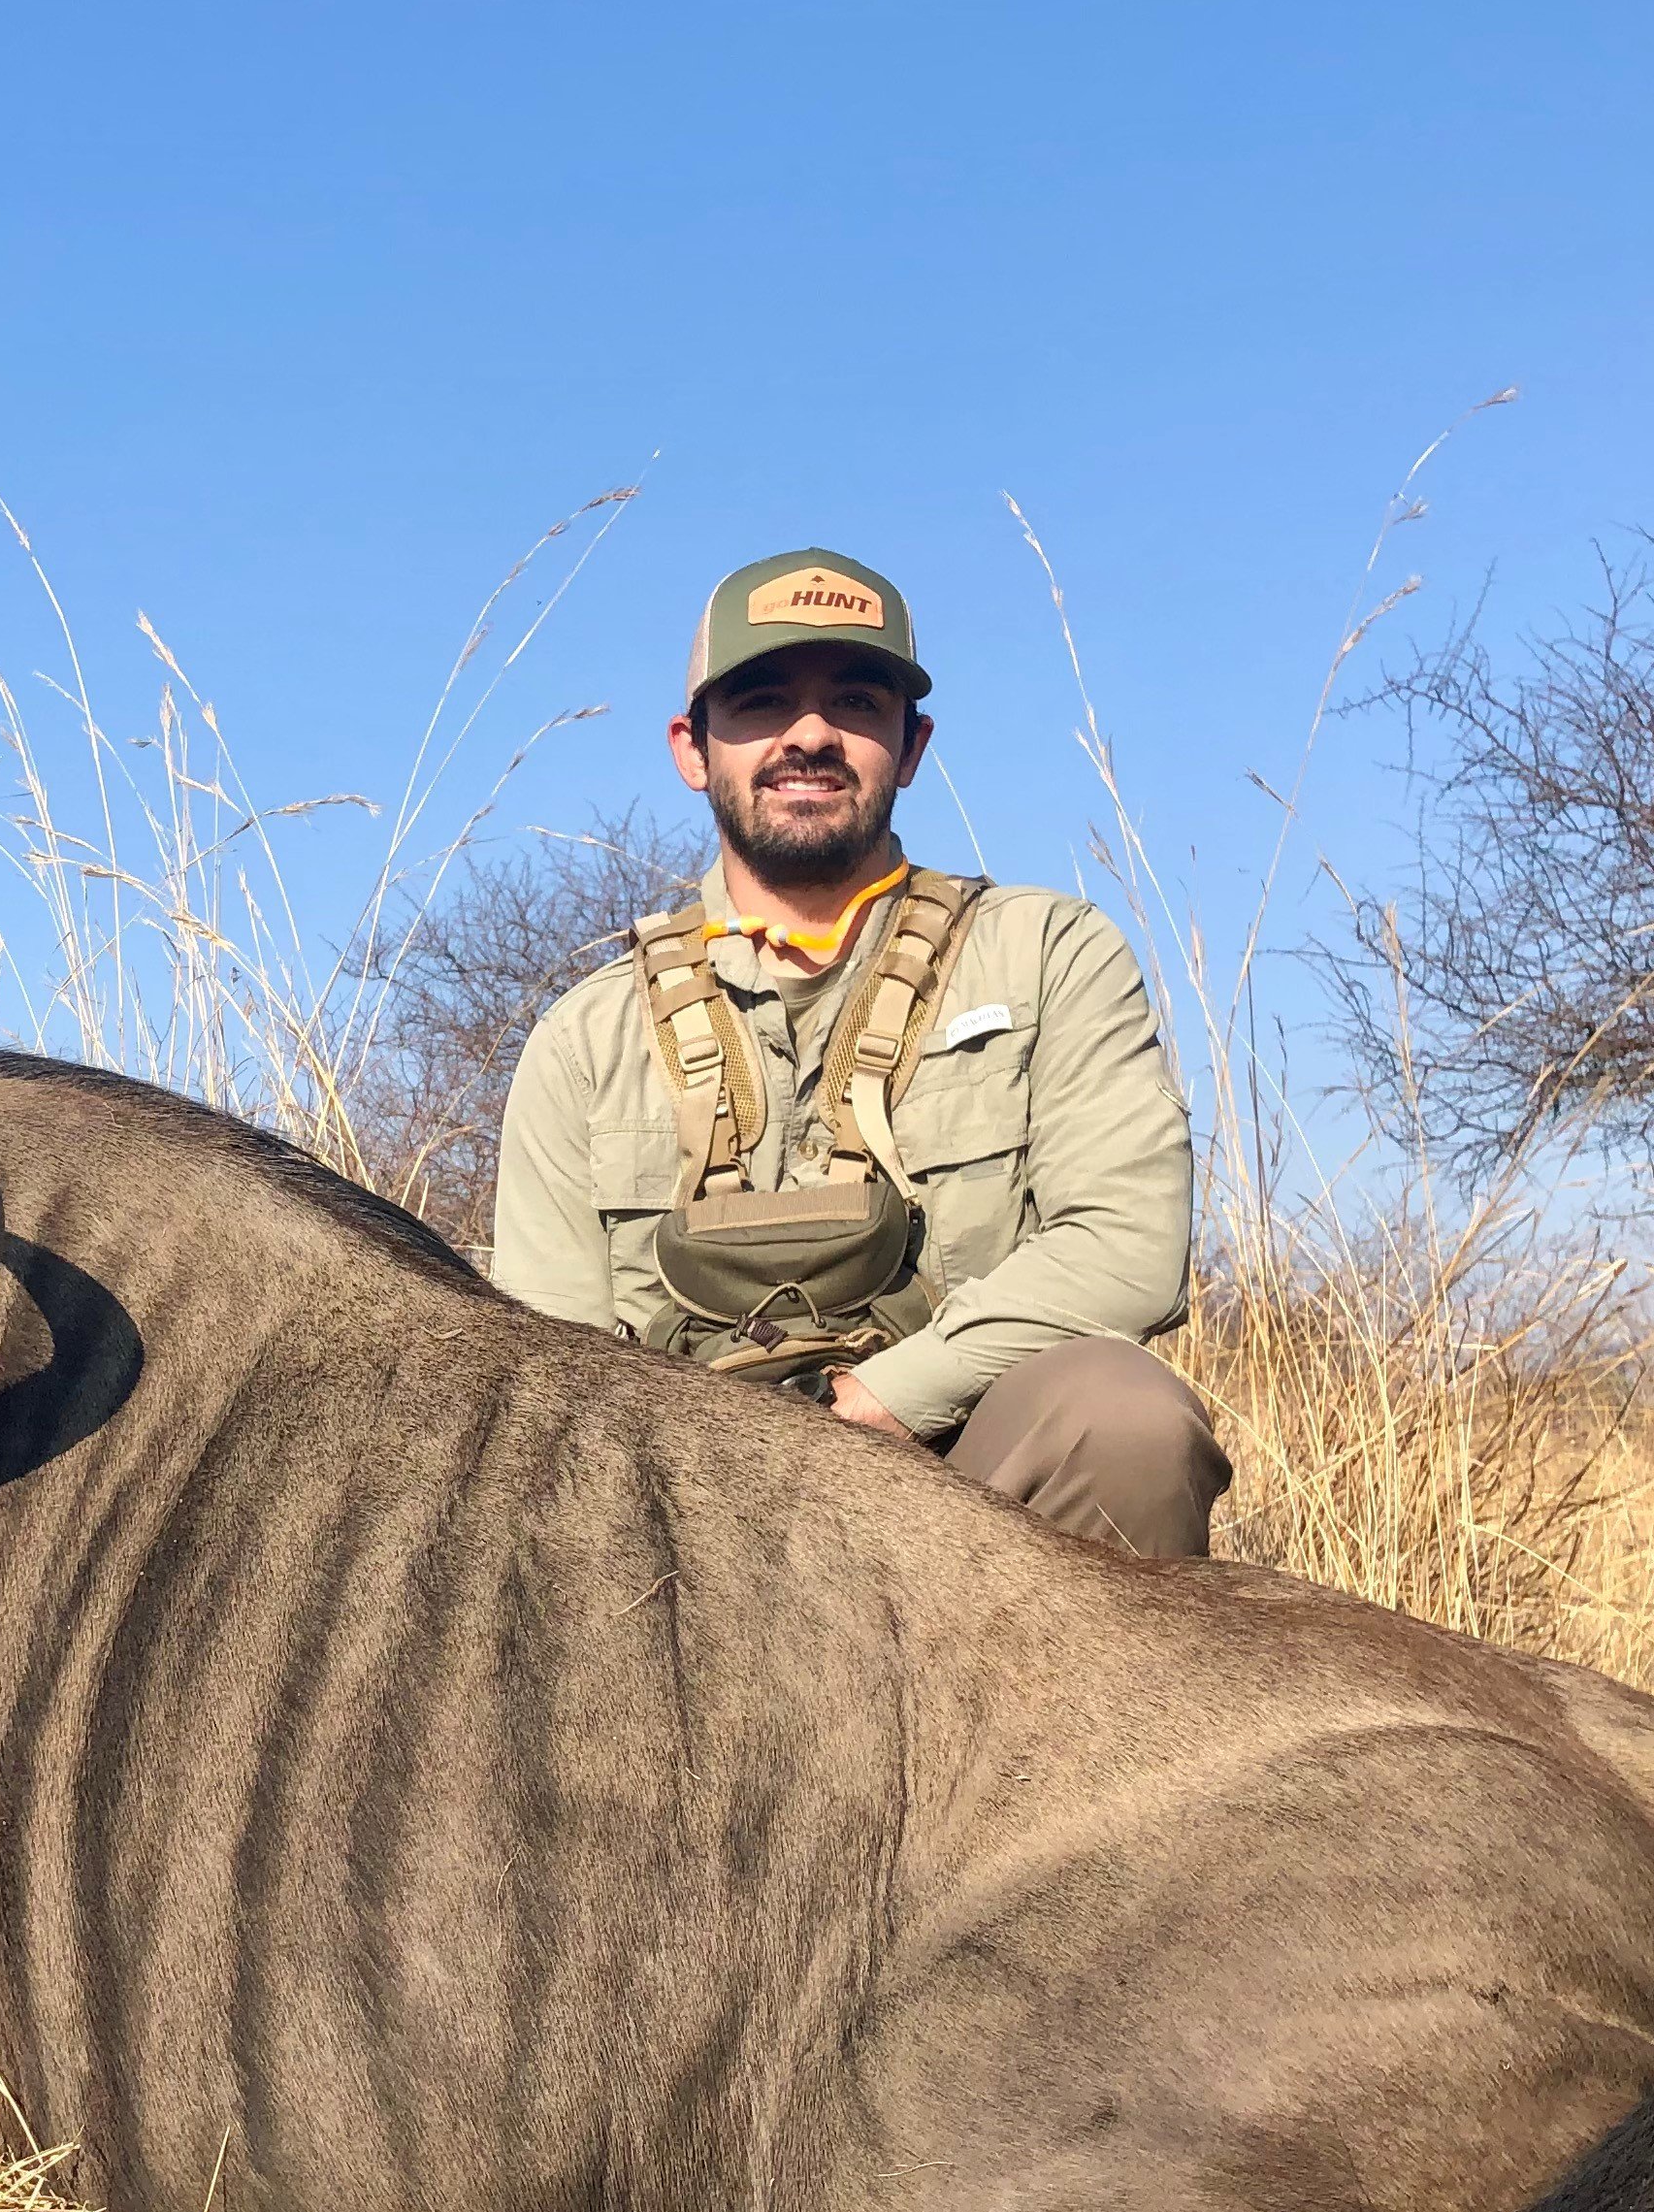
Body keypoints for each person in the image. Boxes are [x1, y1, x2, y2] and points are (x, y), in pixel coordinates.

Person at [489, 547, 1228, 1556]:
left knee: (1125, 1418)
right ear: (691, 747)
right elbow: (550, 1372)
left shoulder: (1048, 953)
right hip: (681, 1526)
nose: (809, 734)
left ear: (912, 744)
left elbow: (1128, 1247)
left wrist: (886, 1397)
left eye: (854, 700)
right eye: (758, 702)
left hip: (973, 1479)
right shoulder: (583, 1038)